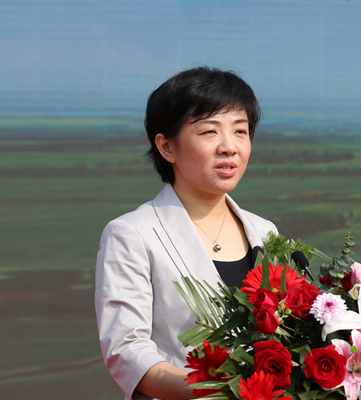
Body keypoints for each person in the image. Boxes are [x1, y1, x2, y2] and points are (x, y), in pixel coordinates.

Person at [95, 66, 277, 400]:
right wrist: (221, 391)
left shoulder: (265, 232)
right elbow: (127, 350)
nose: (229, 147)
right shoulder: (132, 234)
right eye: (210, 131)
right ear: (167, 147)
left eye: (240, 131)